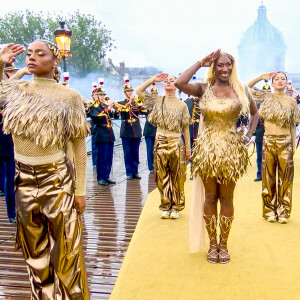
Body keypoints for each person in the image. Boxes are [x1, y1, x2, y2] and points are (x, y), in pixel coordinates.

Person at [0, 41, 90, 299]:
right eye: (29, 53)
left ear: (55, 61)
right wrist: (1, 62)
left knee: (66, 252)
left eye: (41, 54)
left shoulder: (69, 96)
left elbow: (78, 146)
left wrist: (80, 190)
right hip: (22, 180)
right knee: (34, 255)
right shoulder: (17, 90)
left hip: (57, 179)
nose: (32, 57)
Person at [175, 49, 258, 263]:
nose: (224, 69)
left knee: (227, 198)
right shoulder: (204, 89)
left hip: (231, 151)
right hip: (207, 151)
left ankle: (224, 244)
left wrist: (248, 135)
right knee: (211, 197)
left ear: (233, 66)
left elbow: (255, 113)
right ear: (214, 67)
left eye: (228, 65)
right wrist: (200, 63)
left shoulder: (241, 89)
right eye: (219, 65)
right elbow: (180, 83)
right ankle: (213, 244)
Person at [136, 73, 191, 219]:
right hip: (160, 140)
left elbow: (185, 128)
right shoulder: (157, 100)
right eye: (166, 81)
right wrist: (153, 79)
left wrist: (188, 149)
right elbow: (139, 92)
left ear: (177, 84)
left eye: (172, 81)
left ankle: (177, 207)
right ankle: (166, 205)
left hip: (175, 142)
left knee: (178, 176)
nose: (168, 82)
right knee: (161, 175)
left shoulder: (182, 105)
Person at [249, 72, 299, 224]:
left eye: (282, 79)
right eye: (276, 79)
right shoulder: (265, 97)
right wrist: (260, 77)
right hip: (268, 141)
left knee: (285, 179)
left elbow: (292, 125)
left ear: (286, 83)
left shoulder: (291, 102)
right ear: (271, 82)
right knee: (268, 178)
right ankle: (269, 210)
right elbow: (246, 88)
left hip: (285, 142)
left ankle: (284, 211)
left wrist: (292, 144)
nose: (279, 81)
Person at [88, 85, 119, 186]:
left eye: (103, 95)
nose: (102, 97)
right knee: (102, 157)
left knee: (109, 157)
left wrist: (116, 110)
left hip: (109, 133)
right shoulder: (93, 107)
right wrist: (109, 108)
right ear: (95, 96)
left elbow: (114, 116)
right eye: (100, 95)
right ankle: (101, 177)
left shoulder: (105, 106)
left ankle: (107, 176)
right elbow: (97, 118)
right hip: (101, 132)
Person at [117, 82, 147, 180]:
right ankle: (129, 172)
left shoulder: (136, 102)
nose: (130, 93)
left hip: (136, 129)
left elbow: (144, 111)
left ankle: (135, 171)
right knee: (128, 152)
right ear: (124, 93)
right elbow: (122, 111)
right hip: (126, 130)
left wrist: (141, 103)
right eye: (128, 91)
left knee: (135, 152)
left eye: (130, 91)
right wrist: (129, 101)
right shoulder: (121, 103)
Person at [247, 78, 272, 181]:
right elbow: (248, 88)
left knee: (271, 155)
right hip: (260, 132)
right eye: (264, 92)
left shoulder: (273, 103)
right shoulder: (257, 103)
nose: (266, 94)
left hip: (272, 132)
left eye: (268, 92)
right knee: (260, 155)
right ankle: (260, 174)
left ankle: (270, 175)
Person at [143, 85, 157, 174]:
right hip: (149, 131)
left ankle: (157, 165)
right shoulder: (146, 105)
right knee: (150, 149)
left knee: (157, 150)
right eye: (153, 94)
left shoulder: (159, 104)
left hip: (157, 131)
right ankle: (151, 167)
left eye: (155, 94)